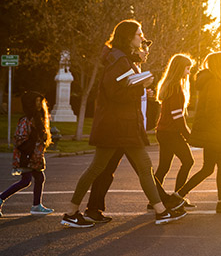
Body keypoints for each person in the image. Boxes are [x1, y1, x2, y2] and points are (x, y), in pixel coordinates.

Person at [62, 20, 185, 228]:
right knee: (109, 168)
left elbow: (123, 85)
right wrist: (142, 86)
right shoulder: (119, 61)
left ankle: (72, 212)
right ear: (128, 37)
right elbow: (116, 92)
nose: (142, 37)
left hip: (121, 125)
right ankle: (161, 211)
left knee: (120, 168)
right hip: (118, 126)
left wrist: (139, 80)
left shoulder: (121, 59)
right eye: (139, 34)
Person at [175, 52, 221, 214]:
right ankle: (178, 197)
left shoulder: (215, 80)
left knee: (211, 167)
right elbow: (211, 110)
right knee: (211, 167)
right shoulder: (215, 82)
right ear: (219, 63)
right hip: (214, 133)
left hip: (212, 132)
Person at [0, 91, 54, 216]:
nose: (39, 104)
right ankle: (2, 198)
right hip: (27, 156)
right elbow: (20, 139)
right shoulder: (26, 120)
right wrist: (31, 148)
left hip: (35, 156)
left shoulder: (38, 118)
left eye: (40, 101)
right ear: (30, 103)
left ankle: (36, 206)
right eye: (36, 101)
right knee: (26, 180)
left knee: (39, 178)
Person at [154, 54, 195, 196]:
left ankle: (154, 199)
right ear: (179, 69)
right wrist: (188, 136)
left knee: (164, 166)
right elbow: (177, 116)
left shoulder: (170, 86)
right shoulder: (176, 88)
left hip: (163, 131)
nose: (189, 72)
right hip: (171, 133)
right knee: (188, 161)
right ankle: (178, 196)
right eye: (187, 69)